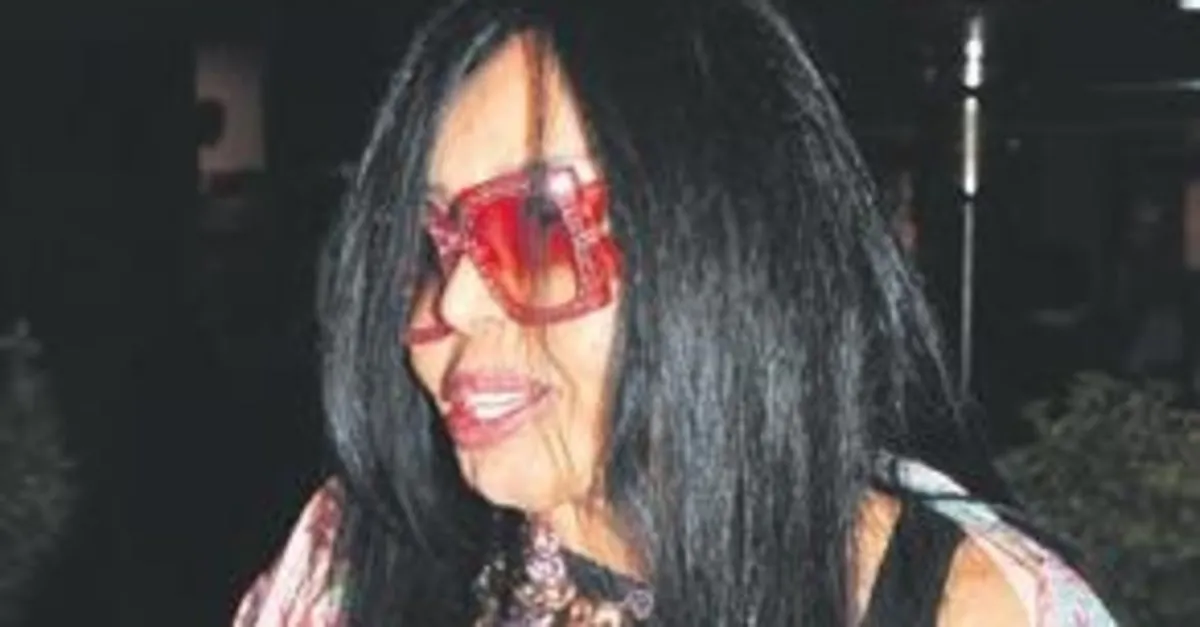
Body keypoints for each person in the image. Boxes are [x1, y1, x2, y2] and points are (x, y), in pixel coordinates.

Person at [234, 1, 1116, 624]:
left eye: (538, 227)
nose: (455, 300)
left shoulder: (968, 607)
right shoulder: (357, 559)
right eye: (430, 246)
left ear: (724, 244)